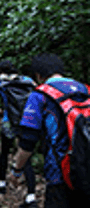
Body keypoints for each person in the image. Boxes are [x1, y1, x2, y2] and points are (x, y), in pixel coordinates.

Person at [10, 53, 90, 207]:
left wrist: (17, 170)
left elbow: (28, 140)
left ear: (38, 75)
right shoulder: (85, 89)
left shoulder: (39, 94)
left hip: (60, 172)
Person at [0, 60, 37, 208]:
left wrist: (4, 112)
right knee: (26, 155)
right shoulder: (28, 81)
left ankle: (2, 182)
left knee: (5, 152)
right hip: (27, 121)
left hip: (8, 121)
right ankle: (31, 196)